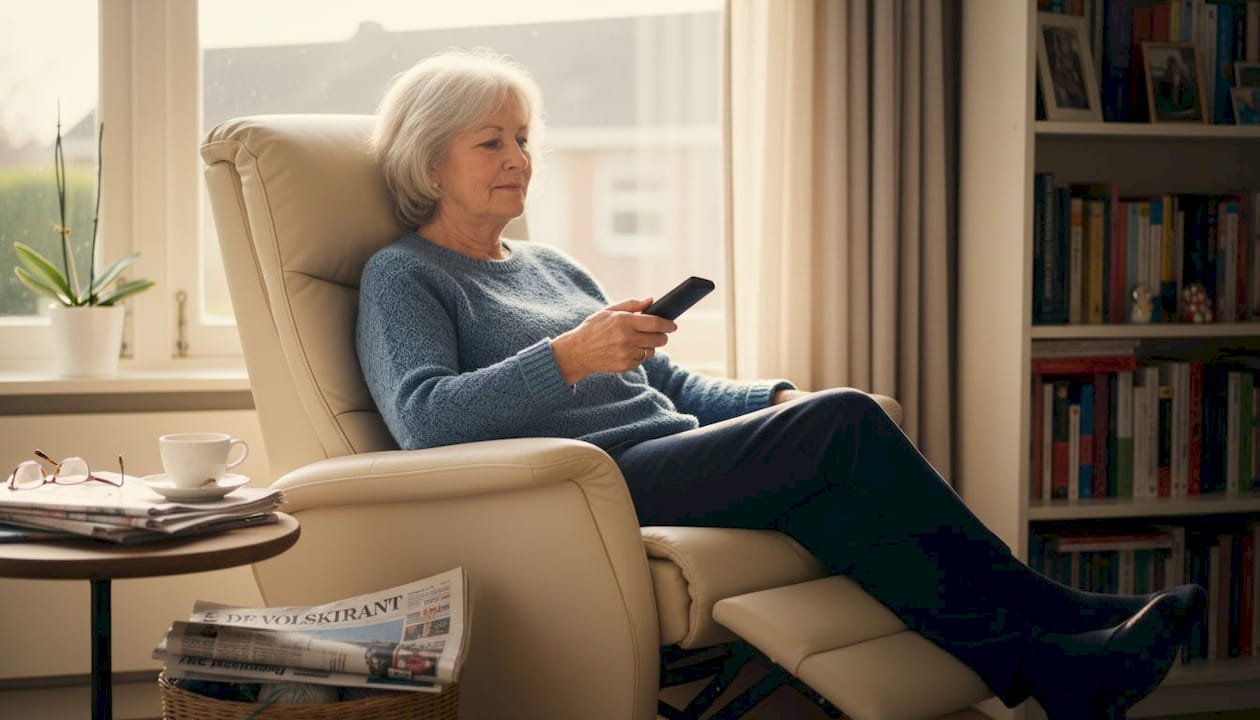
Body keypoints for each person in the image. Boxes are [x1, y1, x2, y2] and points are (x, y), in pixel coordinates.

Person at [356, 49, 1205, 720]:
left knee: (838, 469)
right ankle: (1065, 613)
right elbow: (424, 420)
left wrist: (773, 405)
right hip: (593, 488)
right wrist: (573, 357)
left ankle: (1054, 671)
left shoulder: (548, 264)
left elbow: (671, 382)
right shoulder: (405, 276)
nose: (520, 158)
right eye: (491, 142)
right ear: (430, 164)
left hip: (672, 452)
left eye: (524, 137)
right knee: (843, 422)